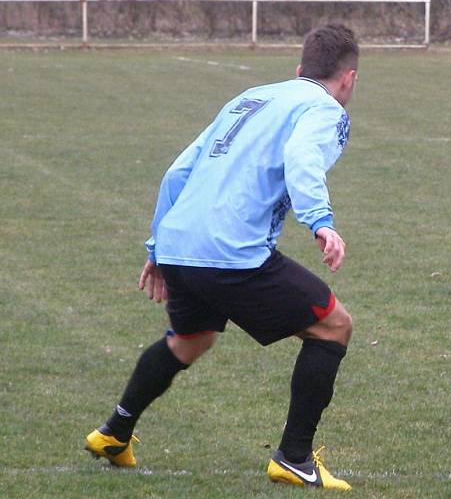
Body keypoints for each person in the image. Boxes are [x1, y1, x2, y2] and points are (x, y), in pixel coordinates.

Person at [85, 24, 360, 491]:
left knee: (190, 340)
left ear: (298, 70)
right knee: (334, 326)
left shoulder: (251, 97)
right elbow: (301, 156)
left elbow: (178, 171)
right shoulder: (324, 108)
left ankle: (114, 432)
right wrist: (320, 220)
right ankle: (294, 457)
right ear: (348, 79)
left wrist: (159, 246)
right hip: (229, 253)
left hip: (180, 244)